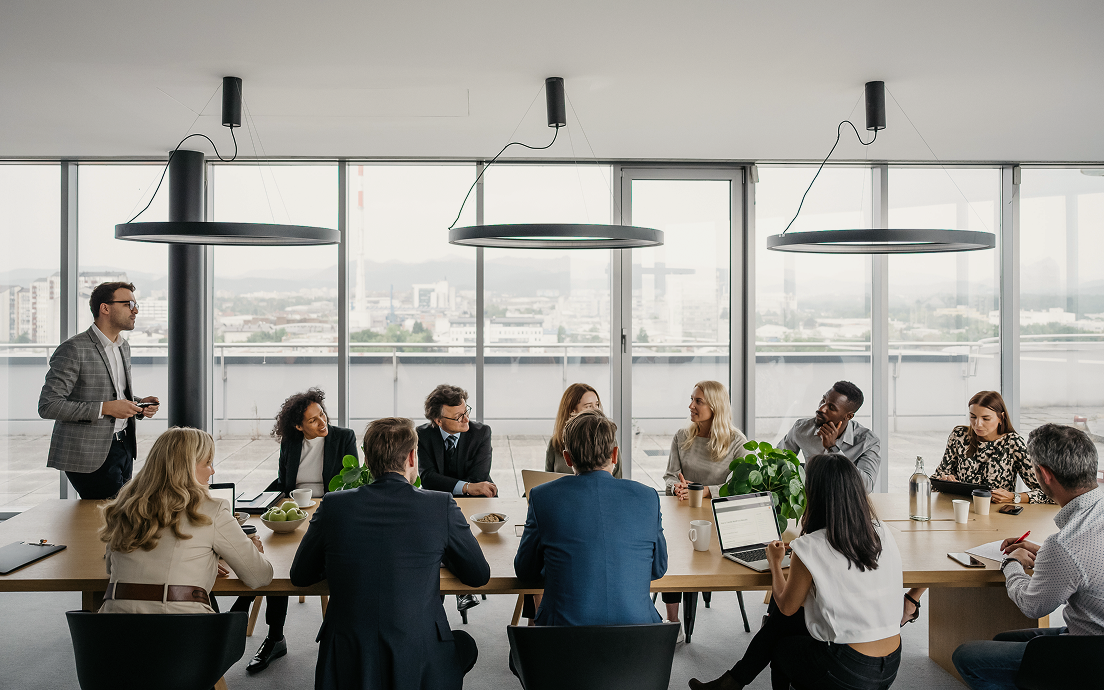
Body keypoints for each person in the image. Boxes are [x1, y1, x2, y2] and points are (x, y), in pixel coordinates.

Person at [291, 417, 491, 690]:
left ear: (367, 459)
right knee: (464, 644)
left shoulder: (333, 506)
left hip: (348, 657)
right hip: (418, 654)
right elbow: (478, 575)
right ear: (412, 457)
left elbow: (300, 576)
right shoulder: (440, 505)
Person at [689, 453, 903, 690]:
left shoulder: (811, 545)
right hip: (890, 665)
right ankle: (730, 682)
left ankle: (731, 683)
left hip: (848, 669)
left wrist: (774, 561)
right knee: (783, 623)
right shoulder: (881, 531)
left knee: (781, 644)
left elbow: (786, 605)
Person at [952, 424, 1103, 690]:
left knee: (967, 656)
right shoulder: (1082, 529)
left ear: (1044, 474)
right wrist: (1046, 554)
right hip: (1094, 631)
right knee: (1002, 639)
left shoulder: (1066, 545)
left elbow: (1034, 607)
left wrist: (1011, 563)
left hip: (1091, 650)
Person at [232, 388, 359, 674]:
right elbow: (283, 481)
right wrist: (255, 502)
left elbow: (350, 484)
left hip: (330, 512)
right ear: (298, 426)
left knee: (286, 563)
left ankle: (244, 620)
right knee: (269, 557)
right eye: (313, 420)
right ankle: (275, 637)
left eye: (322, 414)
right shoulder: (290, 442)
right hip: (294, 513)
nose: (322, 422)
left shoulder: (343, 437)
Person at [901, 390, 1053, 626]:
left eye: (985, 418)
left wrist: (1015, 496)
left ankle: (911, 599)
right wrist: (945, 480)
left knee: (957, 549)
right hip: (957, 512)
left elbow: (1046, 492)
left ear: (1001, 417)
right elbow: (937, 475)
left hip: (996, 520)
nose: (977, 424)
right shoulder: (959, 435)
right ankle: (913, 599)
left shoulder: (1013, 443)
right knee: (937, 548)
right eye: (973, 417)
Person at [515, 410, 668, 626]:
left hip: (561, 644)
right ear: (615, 455)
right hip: (639, 646)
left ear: (567, 458)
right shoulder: (648, 497)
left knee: (518, 656)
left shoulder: (542, 497)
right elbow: (658, 569)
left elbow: (525, 572)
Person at [98, 427, 272, 614]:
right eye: (207, 463)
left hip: (113, 633)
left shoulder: (125, 507)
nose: (212, 471)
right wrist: (255, 552)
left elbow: (110, 568)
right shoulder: (213, 510)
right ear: (186, 467)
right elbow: (259, 577)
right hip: (184, 634)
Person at [38, 281, 160, 499]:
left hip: (123, 447)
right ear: (105, 308)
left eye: (136, 304)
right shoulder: (73, 349)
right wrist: (107, 408)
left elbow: (115, 394)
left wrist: (138, 405)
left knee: (120, 518)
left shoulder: (123, 346)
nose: (136, 310)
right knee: (109, 521)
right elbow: (49, 405)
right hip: (88, 454)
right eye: (129, 304)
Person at [662, 380, 751, 635]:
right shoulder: (682, 436)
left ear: (715, 406)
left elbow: (739, 486)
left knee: (698, 557)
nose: (691, 406)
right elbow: (670, 476)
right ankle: (673, 623)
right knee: (671, 555)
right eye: (691, 399)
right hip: (682, 513)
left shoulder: (736, 441)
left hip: (717, 518)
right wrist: (676, 488)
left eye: (698, 401)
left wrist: (705, 490)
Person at [416, 384, 495, 614]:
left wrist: (469, 487)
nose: (466, 419)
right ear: (438, 420)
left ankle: (439, 597)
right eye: (458, 416)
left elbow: (480, 477)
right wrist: (469, 487)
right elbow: (428, 478)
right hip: (439, 503)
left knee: (441, 536)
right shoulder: (423, 435)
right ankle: (462, 589)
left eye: (466, 410)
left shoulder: (481, 432)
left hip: (475, 505)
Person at [779, 381, 881, 493]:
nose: (820, 409)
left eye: (831, 407)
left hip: (846, 503)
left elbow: (866, 487)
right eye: (823, 401)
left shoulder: (867, 441)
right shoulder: (802, 428)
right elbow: (776, 461)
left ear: (848, 416)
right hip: (810, 499)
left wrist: (833, 448)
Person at [544, 383, 621, 477]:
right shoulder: (555, 443)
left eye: (597, 404)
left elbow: (618, 479)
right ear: (572, 411)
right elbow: (547, 479)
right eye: (588, 406)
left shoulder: (608, 438)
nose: (596, 410)